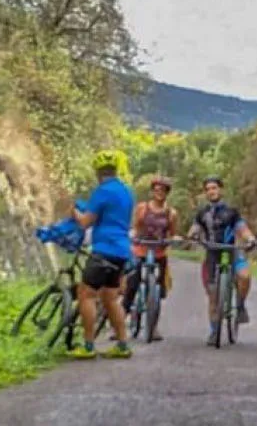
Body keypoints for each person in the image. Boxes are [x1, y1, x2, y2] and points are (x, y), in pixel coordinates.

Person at [69, 149, 134, 359]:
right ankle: (123, 345)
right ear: (115, 169)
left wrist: (74, 212)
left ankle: (88, 346)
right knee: (110, 299)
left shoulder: (102, 191)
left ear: (98, 172)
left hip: (104, 249)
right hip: (122, 251)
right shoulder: (126, 192)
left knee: (86, 294)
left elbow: (85, 222)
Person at [186, 174, 257, 345]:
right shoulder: (202, 213)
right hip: (212, 253)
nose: (211, 191)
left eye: (214, 188)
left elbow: (242, 228)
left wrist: (250, 239)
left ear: (221, 190)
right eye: (208, 189)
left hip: (232, 250)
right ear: (205, 193)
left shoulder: (231, 211)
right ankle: (213, 330)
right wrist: (192, 235)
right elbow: (194, 229)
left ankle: (240, 305)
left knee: (245, 276)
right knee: (213, 296)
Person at [121, 174, 180, 341]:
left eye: (162, 190)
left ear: (167, 192)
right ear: (152, 191)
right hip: (140, 249)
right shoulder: (142, 208)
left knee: (159, 290)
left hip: (159, 252)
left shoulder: (171, 213)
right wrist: (132, 234)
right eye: (156, 189)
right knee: (132, 285)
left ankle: (153, 327)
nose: (159, 192)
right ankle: (118, 324)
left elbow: (173, 232)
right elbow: (135, 226)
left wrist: (174, 239)